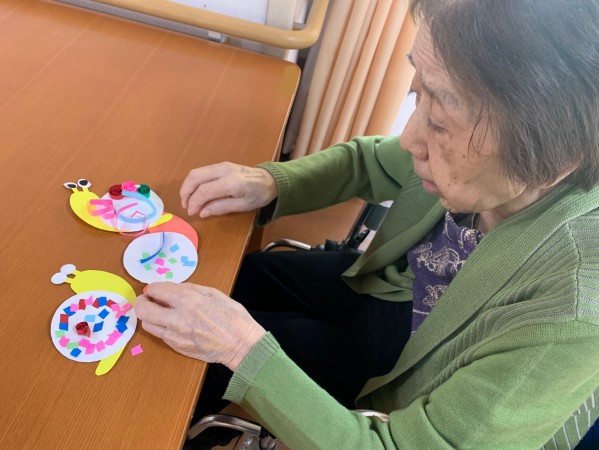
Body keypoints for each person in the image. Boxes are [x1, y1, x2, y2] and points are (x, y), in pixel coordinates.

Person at [135, 0, 599, 448]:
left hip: (396, 378)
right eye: (416, 91)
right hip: (385, 289)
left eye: (439, 122)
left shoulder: (569, 315)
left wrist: (240, 348)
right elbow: (369, 161)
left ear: (552, 161)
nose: (410, 139)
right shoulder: (481, 158)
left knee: (201, 365)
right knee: (244, 276)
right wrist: (273, 182)